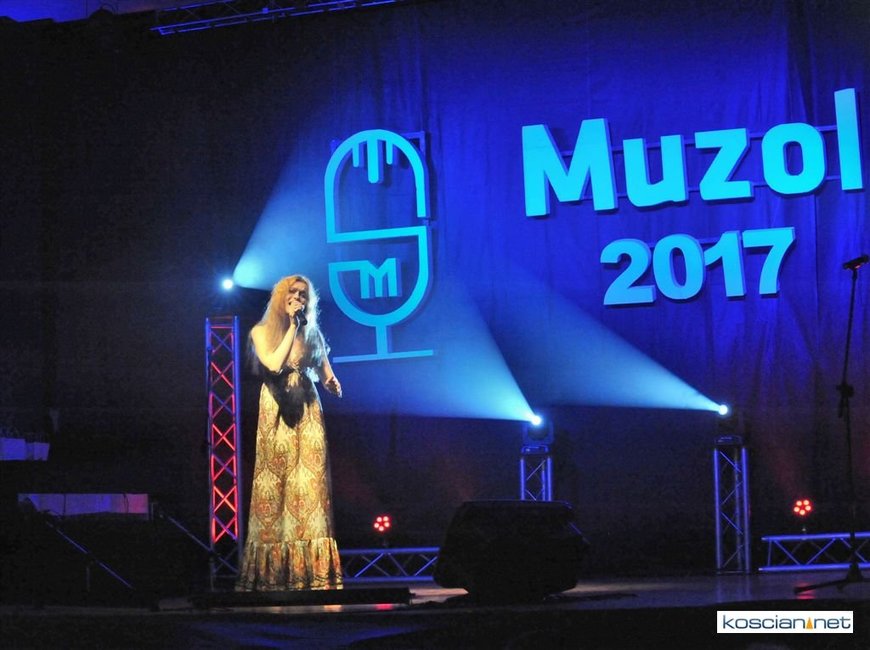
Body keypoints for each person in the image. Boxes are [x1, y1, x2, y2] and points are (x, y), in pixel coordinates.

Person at [236, 275, 343, 591]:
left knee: (309, 485)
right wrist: (293, 328)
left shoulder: (313, 333)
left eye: (303, 294)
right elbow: (273, 364)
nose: (298, 298)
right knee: (276, 483)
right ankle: (274, 573)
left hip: (307, 408)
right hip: (278, 410)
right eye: (293, 293)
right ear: (281, 297)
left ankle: (311, 573)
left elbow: (325, 371)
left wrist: (332, 383)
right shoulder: (261, 331)